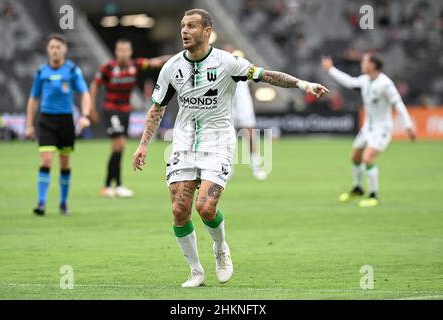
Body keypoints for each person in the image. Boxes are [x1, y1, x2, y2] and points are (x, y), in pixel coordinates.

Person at [132, 9, 328, 288]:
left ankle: (221, 249)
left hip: (218, 143)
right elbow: (157, 108)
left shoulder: (228, 63)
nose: (184, 31)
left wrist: (302, 84)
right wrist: (143, 145)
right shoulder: (172, 67)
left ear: (207, 31)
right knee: (179, 210)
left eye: (191, 26)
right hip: (184, 143)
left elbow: (266, 75)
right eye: (182, 26)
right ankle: (196, 271)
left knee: (206, 207)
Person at [321, 54, 416, 208]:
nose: (362, 64)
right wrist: (330, 69)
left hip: (382, 129)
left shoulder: (385, 84)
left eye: (365, 62)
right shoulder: (365, 80)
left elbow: (398, 104)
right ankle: (358, 188)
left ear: (373, 65)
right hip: (367, 128)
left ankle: (373, 195)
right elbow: (349, 81)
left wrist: (409, 126)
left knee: (368, 158)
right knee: (355, 156)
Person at [90, 39, 171, 198]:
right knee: (119, 145)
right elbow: (95, 84)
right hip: (111, 108)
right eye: (120, 50)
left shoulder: (136, 65)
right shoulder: (108, 68)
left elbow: (156, 62)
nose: (123, 53)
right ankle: (114, 185)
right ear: (116, 51)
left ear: (130, 52)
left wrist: (181, 56)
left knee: (118, 148)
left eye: (126, 50)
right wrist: (91, 107)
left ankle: (109, 186)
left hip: (126, 110)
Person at [25, 33, 91, 215]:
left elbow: (85, 94)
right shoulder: (41, 72)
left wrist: (85, 115)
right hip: (46, 119)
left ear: (64, 50)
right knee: (46, 159)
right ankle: (41, 203)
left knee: (64, 163)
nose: (55, 50)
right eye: (52, 47)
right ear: (48, 50)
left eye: (58, 47)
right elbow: (32, 99)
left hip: (65, 121)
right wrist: (29, 125)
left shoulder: (72, 71)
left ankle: (63, 203)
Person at [223, 44, 267, 180]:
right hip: (227, 106)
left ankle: (256, 167)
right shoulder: (219, 68)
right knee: (227, 138)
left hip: (243, 105)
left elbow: (253, 81)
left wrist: (253, 101)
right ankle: (228, 168)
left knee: (250, 135)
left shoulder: (242, 65)